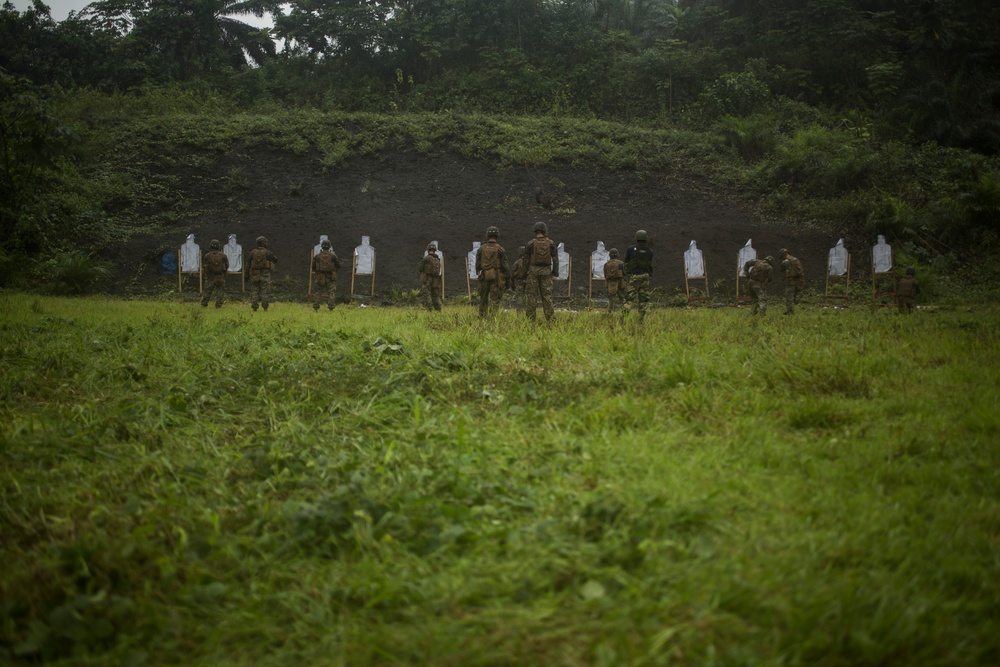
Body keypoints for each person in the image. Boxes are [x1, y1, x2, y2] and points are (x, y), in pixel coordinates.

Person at [523, 221, 558, 322]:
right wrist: (554, 273)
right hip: (546, 272)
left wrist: (524, 274)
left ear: (535, 231)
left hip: (533, 273)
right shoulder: (551, 243)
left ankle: (530, 321)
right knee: (547, 297)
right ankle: (551, 320)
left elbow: (526, 260)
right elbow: (555, 259)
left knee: (531, 298)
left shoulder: (530, 243)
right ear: (545, 231)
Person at [475, 226, 510, 317]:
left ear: (487, 235)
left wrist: (479, 273)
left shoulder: (481, 249)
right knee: (495, 299)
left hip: (485, 275)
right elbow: (505, 265)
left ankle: (482, 316)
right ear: (497, 236)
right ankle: (493, 318)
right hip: (497, 276)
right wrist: (507, 278)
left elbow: (477, 264)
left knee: (483, 298)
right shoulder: (500, 249)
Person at [624, 229, 653, 319]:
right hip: (645, 276)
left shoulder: (630, 249)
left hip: (635, 276)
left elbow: (626, 261)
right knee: (643, 298)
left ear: (636, 238)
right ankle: (641, 319)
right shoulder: (650, 251)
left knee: (629, 297)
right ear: (645, 238)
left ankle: (623, 318)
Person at [249, 236, 277, 311]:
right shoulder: (267, 252)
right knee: (265, 291)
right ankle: (265, 307)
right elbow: (275, 259)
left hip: (254, 273)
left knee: (255, 290)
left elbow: (248, 264)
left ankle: (254, 307)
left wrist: (246, 275)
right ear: (263, 243)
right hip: (265, 274)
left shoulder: (253, 252)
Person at [311, 239, 341, 311]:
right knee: (331, 292)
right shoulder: (333, 255)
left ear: (322, 246)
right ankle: (331, 307)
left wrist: (317, 272)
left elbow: (313, 266)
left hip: (320, 276)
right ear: (329, 247)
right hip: (330, 276)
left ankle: (316, 307)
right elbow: (338, 265)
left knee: (318, 292)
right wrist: (334, 271)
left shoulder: (318, 256)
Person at [201, 239, 229, 308]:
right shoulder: (223, 256)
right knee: (220, 290)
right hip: (220, 275)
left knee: (207, 290)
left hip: (210, 275)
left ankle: (204, 303)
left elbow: (204, 266)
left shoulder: (207, 256)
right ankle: (218, 304)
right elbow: (227, 265)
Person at [777, 248, 805, 315]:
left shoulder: (785, 262)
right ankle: (790, 310)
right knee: (793, 296)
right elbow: (800, 272)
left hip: (790, 281)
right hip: (798, 281)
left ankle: (791, 312)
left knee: (789, 297)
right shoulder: (796, 259)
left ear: (784, 255)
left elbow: (781, 270)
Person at [419, 242, 444, 311]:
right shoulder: (437, 259)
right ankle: (438, 310)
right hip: (436, 279)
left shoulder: (425, 259)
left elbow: (420, 269)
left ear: (428, 250)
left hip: (427, 278)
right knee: (435, 295)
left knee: (427, 294)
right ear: (435, 250)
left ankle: (429, 310)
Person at [603, 248, 626, 312]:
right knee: (622, 298)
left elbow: (605, 275)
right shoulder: (621, 263)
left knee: (611, 299)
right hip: (620, 282)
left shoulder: (606, 264)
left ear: (609, 255)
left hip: (610, 283)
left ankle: (610, 312)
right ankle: (624, 312)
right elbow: (624, 273)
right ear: (617, 255)